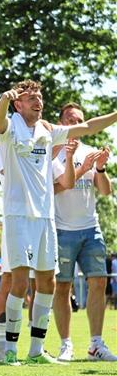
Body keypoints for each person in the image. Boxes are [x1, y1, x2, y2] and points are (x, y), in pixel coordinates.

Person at [0, 79, 117, 365]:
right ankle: (10, 350)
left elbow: (88, 127)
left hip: (46, 217)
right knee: (20, 282)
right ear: (18, 104)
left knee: (47, 282)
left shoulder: (48, 131)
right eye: (31, 97)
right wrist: (3, 100)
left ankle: (36, 350)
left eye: (39, 96)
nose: (37, 101)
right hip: (18, 216)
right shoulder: (10, 126)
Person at [51, 103, 116, 362]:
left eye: (78, 119)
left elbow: (105, 190)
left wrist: (98, 168)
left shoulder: (90, 151)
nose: (74, 123)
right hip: (62, 229)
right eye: (69, 119)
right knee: (63, 287)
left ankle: (96, 345)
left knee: (98, 282)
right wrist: (81, 168)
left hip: (91, 229)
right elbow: (56, 188)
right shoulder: (52, 152)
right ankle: (66, 345)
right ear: (60, 123)